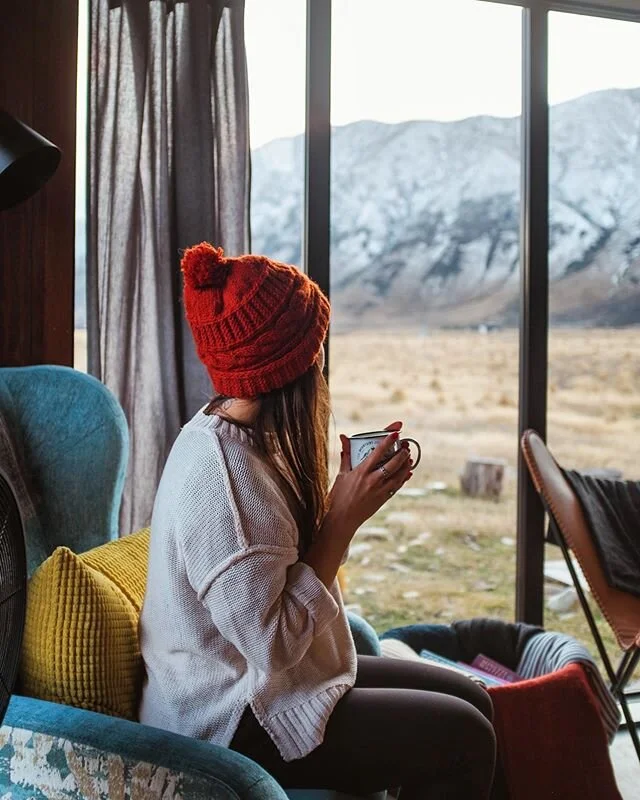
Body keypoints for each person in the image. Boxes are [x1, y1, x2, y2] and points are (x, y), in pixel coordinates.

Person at [139, 243, 496, 799]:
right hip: (232, 717)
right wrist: (340, 524)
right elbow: (275, 646)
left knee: (477, 701)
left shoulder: (240, 436)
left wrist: (343, 498)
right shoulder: (226, 488)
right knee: (465, 736)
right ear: (291, 367)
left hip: (265, 683)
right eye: (316, 351)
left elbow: (275, 579)